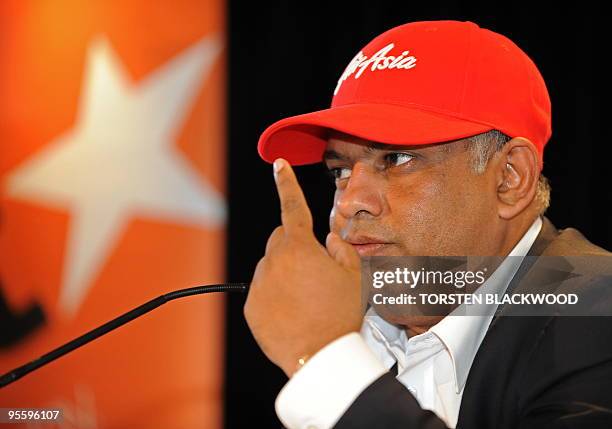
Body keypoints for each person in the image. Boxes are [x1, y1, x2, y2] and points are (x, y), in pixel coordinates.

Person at [244, 20, 612, 429]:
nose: (349, 203)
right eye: (340, 171)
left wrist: (324, 356)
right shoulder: (355, 316)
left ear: (510, 178)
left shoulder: (598, 315)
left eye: (397, 160)